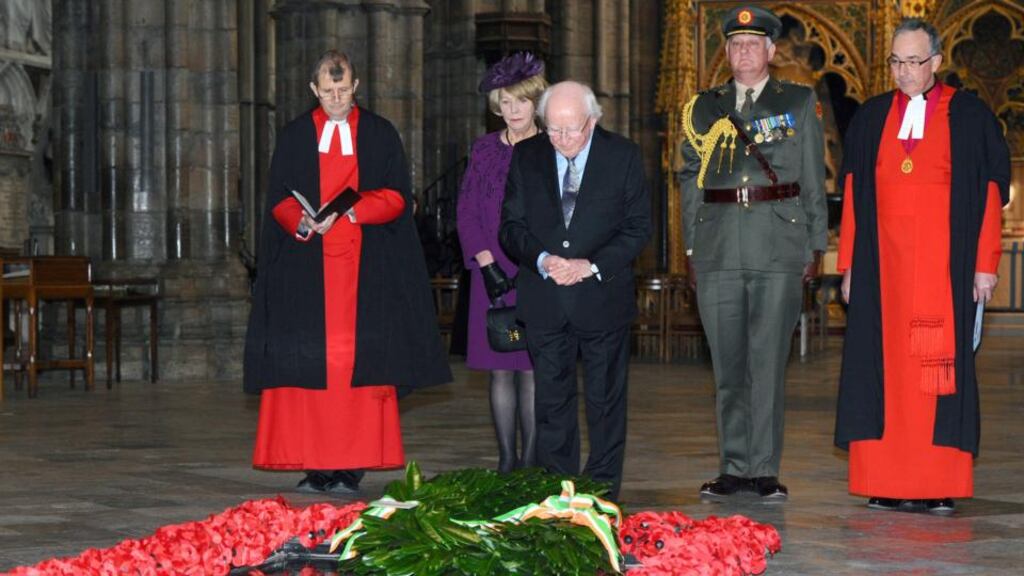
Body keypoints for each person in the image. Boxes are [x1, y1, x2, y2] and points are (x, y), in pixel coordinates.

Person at [243, 50, 452, 494]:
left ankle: (351, 467)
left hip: (366, 272)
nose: (336, 98)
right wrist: (298, 221)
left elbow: (398, 197)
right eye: (328, 91)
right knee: (313, 369)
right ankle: (317, 468)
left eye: (344, 89)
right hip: (307, 272)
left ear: (355, 87)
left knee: (358, 371)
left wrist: (354, 210)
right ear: (313, 90)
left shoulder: (379, 133)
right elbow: (277, 198)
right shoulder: (296, 135)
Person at [834, 18, 1009, 515]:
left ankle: (935, 483)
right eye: (896, 62)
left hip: (945, 275)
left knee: (937, 382)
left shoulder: (970, 116)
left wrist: (984, 265)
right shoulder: (870, 118)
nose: (904, 72)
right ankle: (883, 479)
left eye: (913, 62)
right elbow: (853, 196)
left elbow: (991, 193)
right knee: (881, 375)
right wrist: (848, 264)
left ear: (935, 62)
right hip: (881, 274)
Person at [680, 5, 827, 502]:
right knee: (728, 364)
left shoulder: (799, 102)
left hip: (777, 243)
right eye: (736, 45)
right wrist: (691, 245)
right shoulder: (704, 106)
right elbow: (687, 179)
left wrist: (814, 244)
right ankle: (733, 467)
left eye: (753, 44)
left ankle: (764, 469)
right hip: (718, 243)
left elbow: (811, 175)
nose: (744, 52)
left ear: (770, 51)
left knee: (767, 362)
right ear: (726, 52)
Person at [500, 81, 651, 499]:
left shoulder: (622, 155)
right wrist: (544, 260)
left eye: (571, 130)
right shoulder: (526, 156)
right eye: (553, 130)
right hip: (545, 298)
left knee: (605, 403)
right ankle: (557, 487)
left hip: (602, 298)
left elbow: (638, 227)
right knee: (551, 402)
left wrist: (592, 264)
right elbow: (510, 227)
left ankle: (601, 491)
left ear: (593, 120)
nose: (562, 141)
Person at [456, 52, 547, 473]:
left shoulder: (551, 147)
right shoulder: (484, 149)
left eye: (521, 102)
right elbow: (467, 210)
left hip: (535, 270)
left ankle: (530, 459)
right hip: (489, 270)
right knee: (499, 369)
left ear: (536, 102)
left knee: (530, 369)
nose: (513, 111)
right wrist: (486, 261)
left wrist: (540, 261)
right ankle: (507, 459)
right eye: (505, 103)